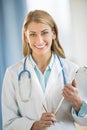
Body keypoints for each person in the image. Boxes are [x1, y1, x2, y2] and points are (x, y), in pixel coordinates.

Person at [2, 10, 87, 130]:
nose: (39, 40)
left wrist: (77, 102)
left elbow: (85, 121)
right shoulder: (12, 73)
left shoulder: (72, 70)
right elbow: (8, 123)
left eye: (44, 33)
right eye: (32, 34)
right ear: (26, 37)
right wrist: (34, 125)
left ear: (54, 34)